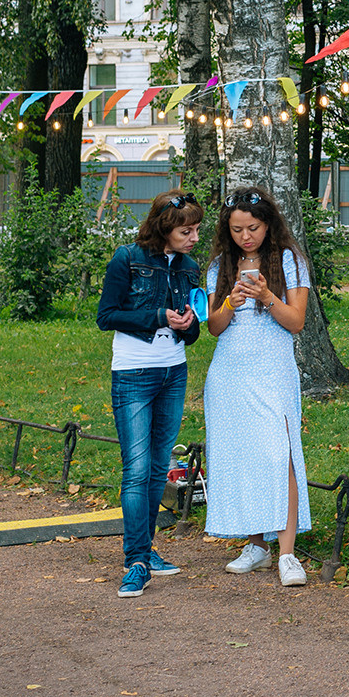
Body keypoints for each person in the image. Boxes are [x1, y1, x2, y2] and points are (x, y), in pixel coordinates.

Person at [201, 188, 314, 589]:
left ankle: (287, 552)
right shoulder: (221, 265)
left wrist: (266, 296)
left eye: (253, 228)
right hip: (229, 371)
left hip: (271, 369)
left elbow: (296, 322)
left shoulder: (289, 261)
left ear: (268, 224)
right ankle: (256, 545)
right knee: (241, 454)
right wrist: (230, 303)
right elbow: (213, 328)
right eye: (236, 230)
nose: (245, 236)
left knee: (278, 453)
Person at [96, 190, 205, 599]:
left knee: (159, 469)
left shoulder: (189, 267)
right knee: (136, 470)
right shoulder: (127, 258)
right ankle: (135, 561)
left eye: (196, 229)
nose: (194, 237)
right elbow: (106, 316)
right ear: (164, 228)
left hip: (173, 373)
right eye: (186, 230)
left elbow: (193, 333)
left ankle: (147, 552)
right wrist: (159, 316)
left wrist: (188, 324)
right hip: (133, 373)